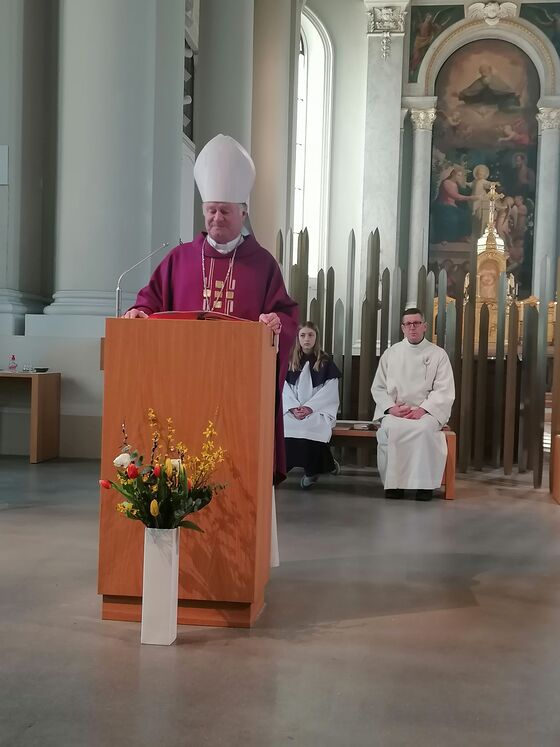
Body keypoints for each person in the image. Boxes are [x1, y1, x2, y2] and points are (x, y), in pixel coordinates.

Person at [124, 134, 299, 485]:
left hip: (239, 390)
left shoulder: (262, 264)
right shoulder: (180, 259)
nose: (217, 218)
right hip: (184, 384)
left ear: (242, 212)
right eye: (211, 210)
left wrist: (274, 322)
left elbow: (286, 314)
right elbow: (150, 300)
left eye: (225, 211)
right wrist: (138, 312)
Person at [371, 308, 455, 501]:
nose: (412, 327)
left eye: (417, 323)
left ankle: (423, 487)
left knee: (425, 431)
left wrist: (424, 410)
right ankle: (394, 486)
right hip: (397, 411)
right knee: (391, 428)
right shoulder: (391, 354)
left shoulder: (438, 354)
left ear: (425, 326)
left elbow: (444, 389)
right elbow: (378, 387)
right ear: (402, 328)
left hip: (426, 412)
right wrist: (391, 408)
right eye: (408, 324)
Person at [283, 322, 341, 489]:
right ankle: (286, 467)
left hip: (317, 410)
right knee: (286, 426)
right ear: (298, 338)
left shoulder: (325, 362)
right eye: (303, 335)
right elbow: (283, 388)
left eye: (310, 335)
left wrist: (309, 408)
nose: (307, 339)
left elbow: (329, 392)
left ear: (316, 338)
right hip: (292, 410)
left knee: (314, 427)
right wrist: (293, 407)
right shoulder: (289, 360)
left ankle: (311, 471)